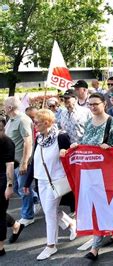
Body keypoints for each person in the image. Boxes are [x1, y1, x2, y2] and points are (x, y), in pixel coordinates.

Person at [65, 93, 113, 261]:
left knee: (107, 206)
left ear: (104, 104)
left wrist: (110, 147)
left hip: (108, 173)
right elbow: (86, 143)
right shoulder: (88, 123)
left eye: (95, 104)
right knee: (98, 208)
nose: (92, 107)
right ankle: (96, 246)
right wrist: (78, 146)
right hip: (91, 173)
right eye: (89, 104)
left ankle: (109, 236)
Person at [23, 109, 76, 260]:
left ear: (47, 123)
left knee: (50, 214)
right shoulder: (39, 138)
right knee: (48, 211)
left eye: (37, 122)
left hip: (56, 181)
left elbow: (70, 156)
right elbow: (36, 161)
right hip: (41, 181)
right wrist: (28, 182)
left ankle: (50, 246)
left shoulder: (61, 137)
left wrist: (67, 151)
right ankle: (71, 224)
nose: (34, 125)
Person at [3, 97, 34, 228]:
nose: (3, 107)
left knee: (23, 189)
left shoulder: (23, 120)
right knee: (15, 188)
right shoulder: (10, 120)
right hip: (12, 162)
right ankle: (36, 199)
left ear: (10, 108)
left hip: (20, 161)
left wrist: (24, 162)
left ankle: (27, 216)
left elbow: (28, 142)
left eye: (5, 105)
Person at [0, 116, 16, 256]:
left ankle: (0, 247)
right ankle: (15, 224)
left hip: (2, 179)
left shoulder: (7, 143)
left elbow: (9, 166)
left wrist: (9, 185)